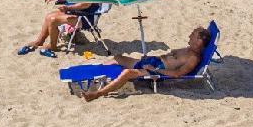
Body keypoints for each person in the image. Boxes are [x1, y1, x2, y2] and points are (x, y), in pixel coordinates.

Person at [79, 25, 214, 101]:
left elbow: (177, 74)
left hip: (156, 69)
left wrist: (155, 70)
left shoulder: (193, 58)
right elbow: (172, 56)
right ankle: (93, 73)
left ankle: (97, 94)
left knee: (127, 73)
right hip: (152, 61)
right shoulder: (188, 49)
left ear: (199, 41)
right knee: (118, 58)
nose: (189, 35)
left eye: (193, 35)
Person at [17, 0, 103, 56]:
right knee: (49, 16)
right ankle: (39, 41)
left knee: (53, 20)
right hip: (77, 12)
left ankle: (52, 46)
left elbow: (86, 4)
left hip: (86, 17)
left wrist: (69, 8)